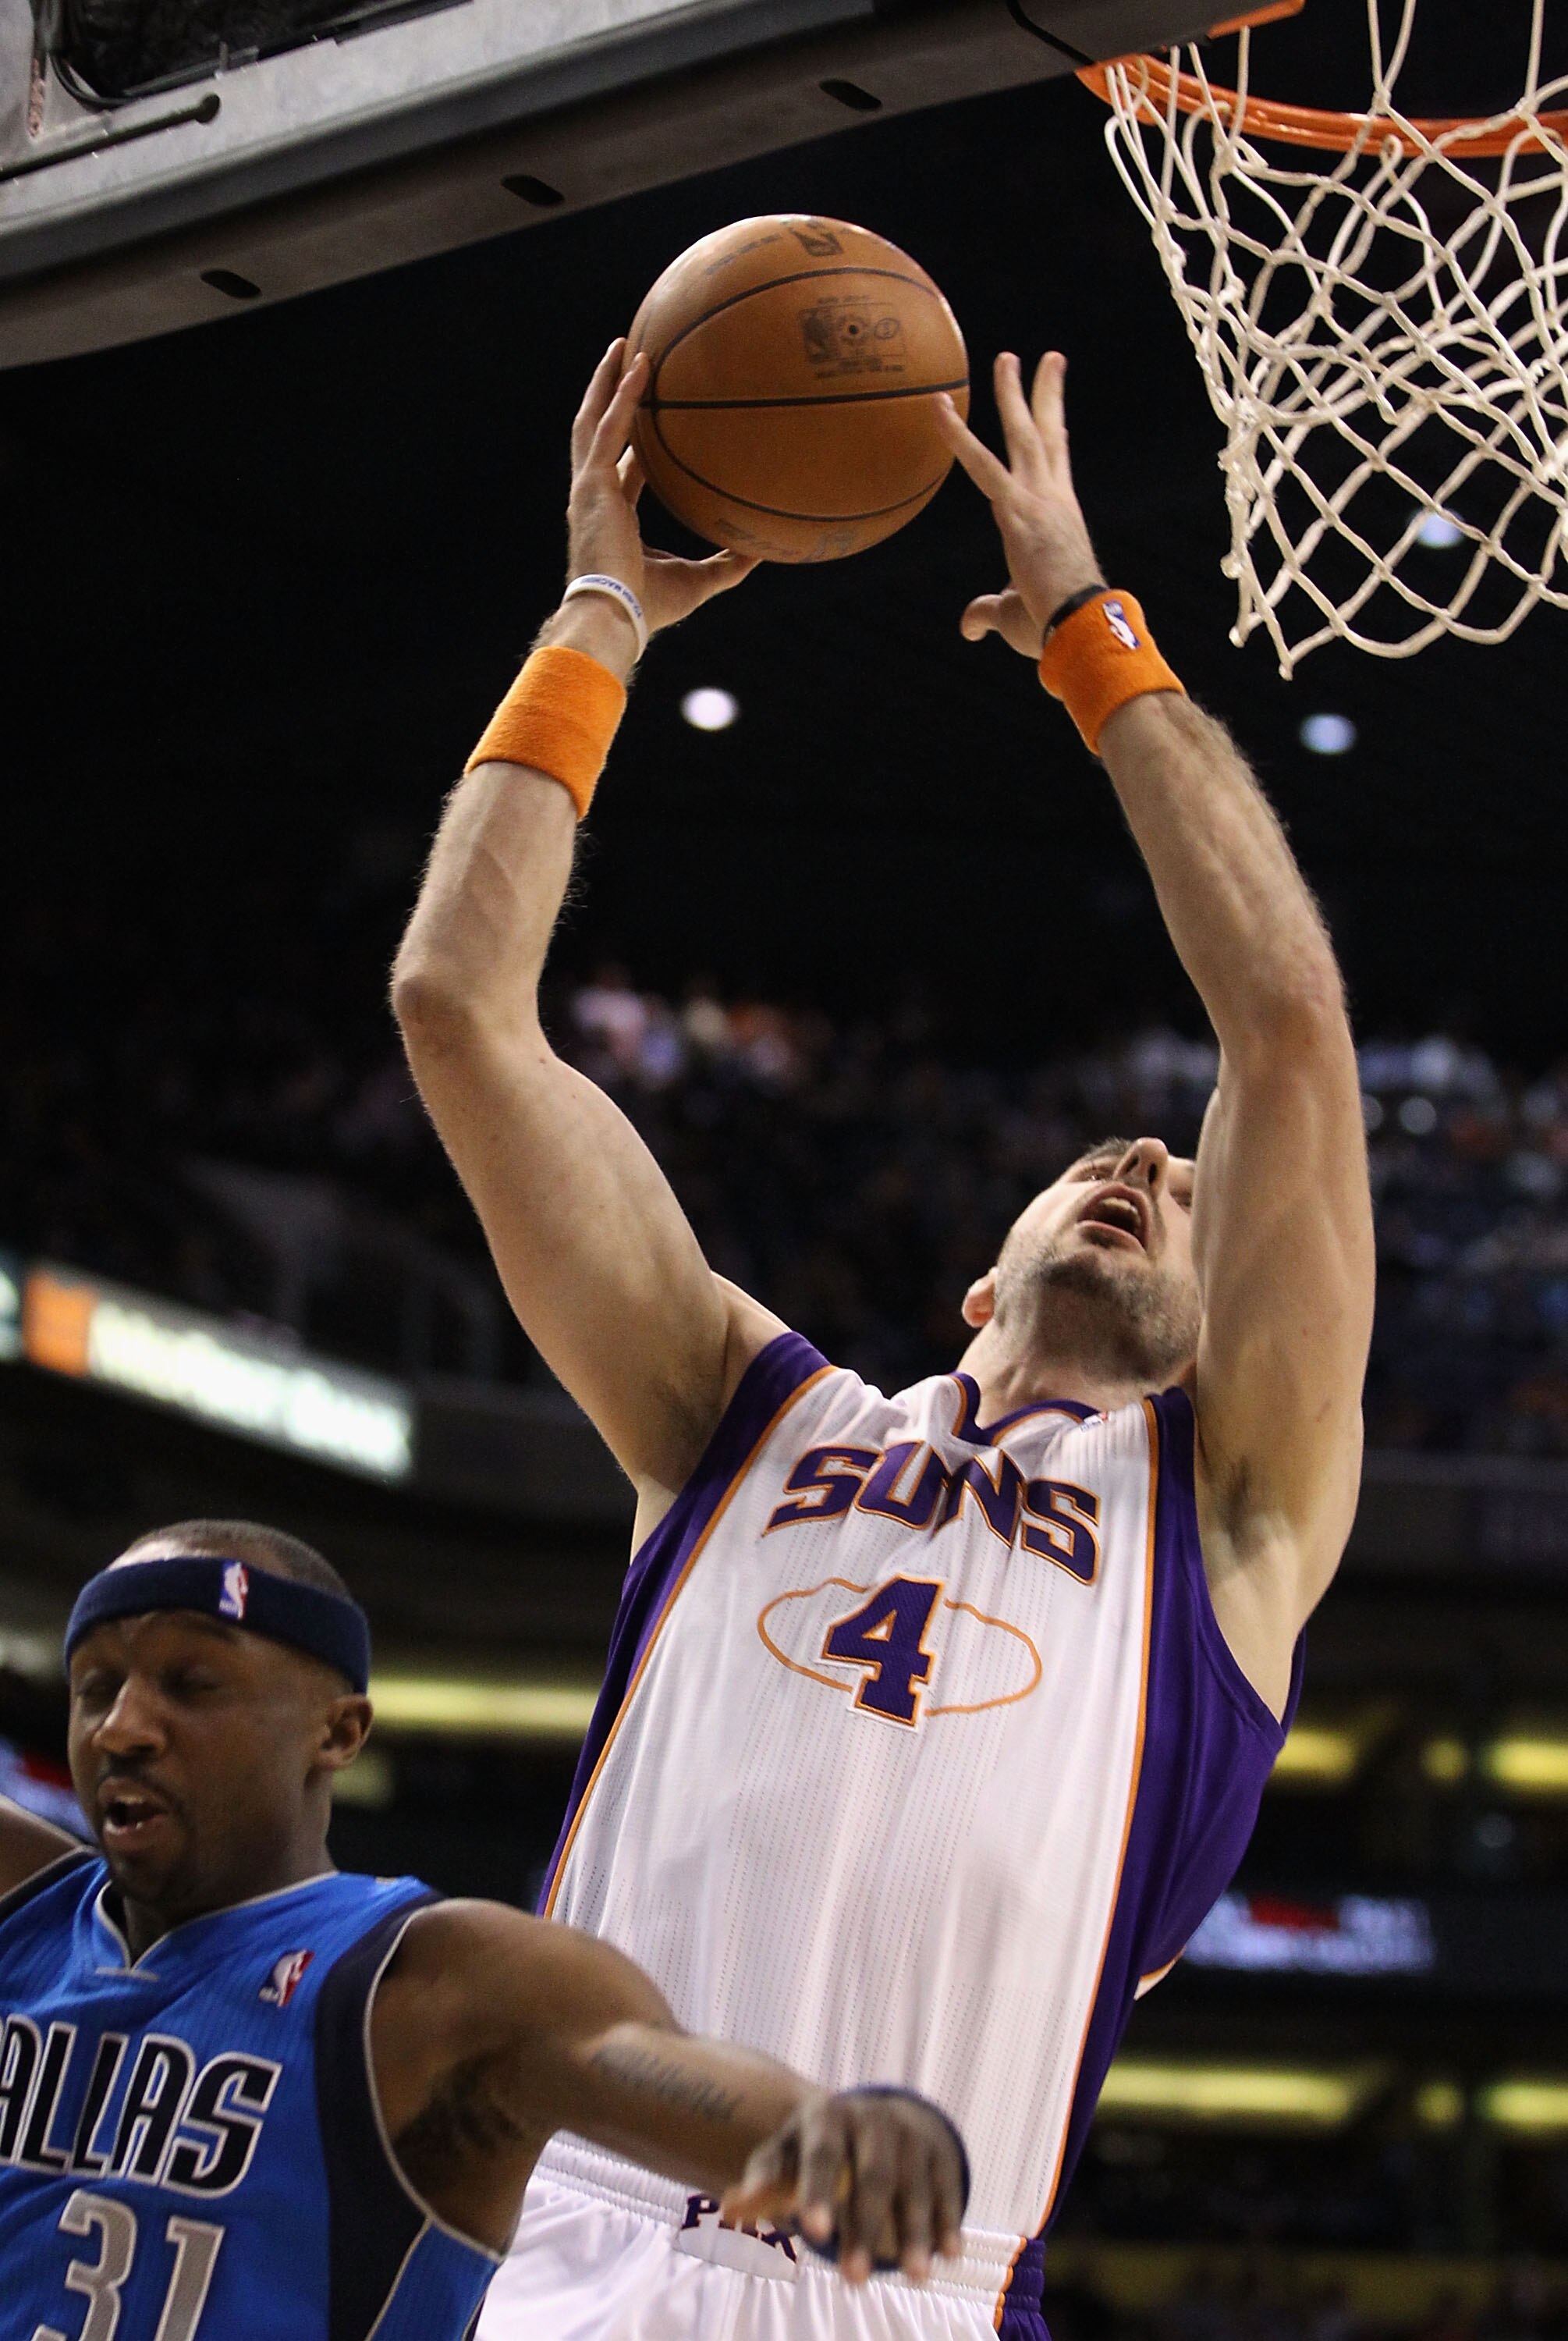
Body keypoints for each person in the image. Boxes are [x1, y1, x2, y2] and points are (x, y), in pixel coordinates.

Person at [392, 338, 1374, 2339]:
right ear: (973, 1278)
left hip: (910, 2296)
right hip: (571, 2261)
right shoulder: (739, 1408)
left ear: (1217, 1323)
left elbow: (1280, 1019)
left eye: (1180, 1178)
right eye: (1103, 1157)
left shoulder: (1237, 1510)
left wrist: (1092, 633)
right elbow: (455, 1006)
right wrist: (599, 611)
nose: (1137, 1157)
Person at [0, 1518, 969, 2339]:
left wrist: (829, 2130)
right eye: (95, 1686)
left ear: (337, 1733)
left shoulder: (426, 1983)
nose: (122, 1727)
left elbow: (632, 2054)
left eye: (192, 1683)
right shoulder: (24, 1910)